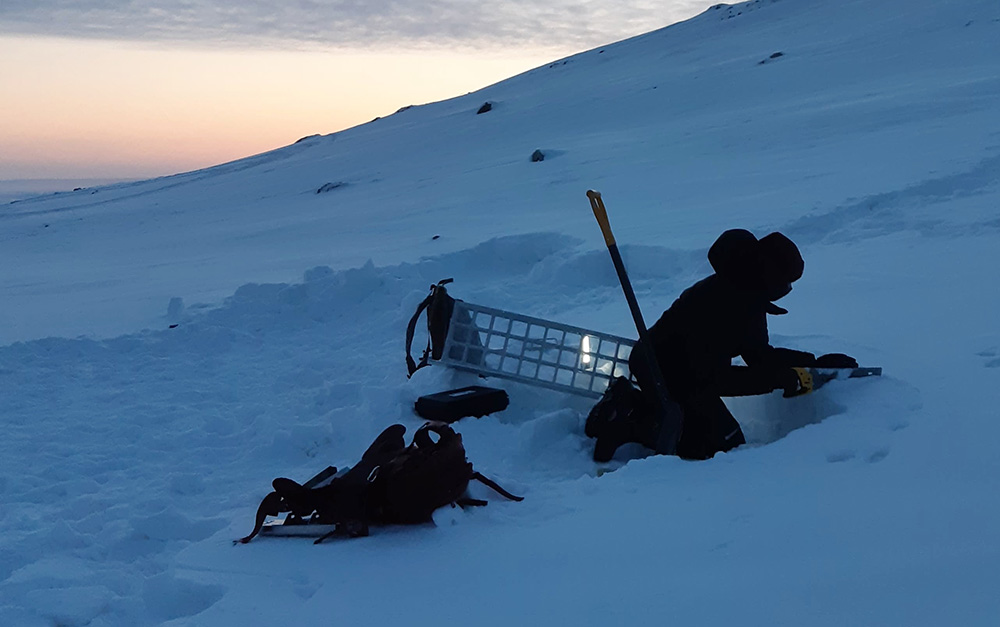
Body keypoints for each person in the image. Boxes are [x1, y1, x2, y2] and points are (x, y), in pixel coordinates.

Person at [588, 229, 857, 462]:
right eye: (787, 281)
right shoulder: (727, 303)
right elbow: (717, 380)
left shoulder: (744, 292)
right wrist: (782, 379)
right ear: (771, 273)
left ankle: (628, 401)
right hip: (665, 370)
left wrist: (812, 362)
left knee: (721, 437)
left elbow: (759, 356)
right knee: (718, 446)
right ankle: (625, 426)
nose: (787, 288)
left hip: (672, 367)